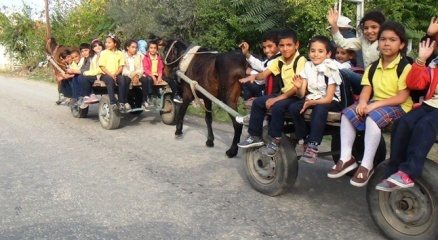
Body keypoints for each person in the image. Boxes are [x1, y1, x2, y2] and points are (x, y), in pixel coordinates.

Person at [327, 21, 413, 187]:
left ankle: (367, 165)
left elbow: (402, 96)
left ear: (401, 44)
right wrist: (364, 102)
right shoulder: (374, 67)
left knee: (372, 118)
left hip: (398, 106)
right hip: (376, 102)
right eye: (383, 39)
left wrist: (374, 105)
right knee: (348, 113)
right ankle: (346, 158)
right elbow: (367, 88)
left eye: (392, 40)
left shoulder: (405, 66)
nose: (386, 43)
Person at [376, 17, 438, 191]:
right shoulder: (434, 65)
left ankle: (408, 172)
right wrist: (421, 60)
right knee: (403, 123)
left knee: (425, 125)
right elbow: (414, 84)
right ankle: (393, 169)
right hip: (431, 104)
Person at [237, 29, 306, 157]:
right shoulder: (279, 60)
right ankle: (255, 136)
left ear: (297, 45)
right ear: (279, 47)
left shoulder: (300, 60)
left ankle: (275, 140)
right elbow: (264, 74)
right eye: (282, 45)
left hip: (296, 95)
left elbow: (297, 89)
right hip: (284, 93)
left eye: (289, 45)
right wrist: (254, 76)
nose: (285, 49)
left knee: (277, 106)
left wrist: (276, 99)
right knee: (258, 102)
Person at [288, 36, 343, 164]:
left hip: (331, 101)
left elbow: (328, 98)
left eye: (320, 51)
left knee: (320, 108)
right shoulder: (308, 66)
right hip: (313, 97)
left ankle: (313, 145)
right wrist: (298, 88)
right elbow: (302, 94)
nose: (316, 54)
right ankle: (304, 140)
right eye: (313, 51)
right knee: (294, 107)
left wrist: (311, 103)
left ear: (328, 54)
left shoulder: (331, 68)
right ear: (309, 52)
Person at [327, 8, 386, 94]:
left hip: (383, 84)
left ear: (382, 27)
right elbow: (343, 43)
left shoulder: (386, 44)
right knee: (342, 72)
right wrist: (334, 26)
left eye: (374, 27)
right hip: (367, 82)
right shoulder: (363, 40)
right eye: (366, 28)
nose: (369, 31)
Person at [239, 30, 281, 101]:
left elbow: (262, 78)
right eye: (264, 47)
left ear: (279, 45)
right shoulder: (272, 58)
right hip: (269, 93)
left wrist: (252, 72)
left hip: (274, 95)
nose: (267, 50)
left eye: (270, 46)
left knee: (247, 84)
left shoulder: (278, 59)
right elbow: (262, 66)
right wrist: (247, 54)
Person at [99, 34, 127, 111]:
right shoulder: (104, 53)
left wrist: (115, 74)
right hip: (105, 74)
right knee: (110, 80)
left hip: (116, 74)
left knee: (122, 79)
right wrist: (111, 75)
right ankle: (113, 102)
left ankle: (122, 102)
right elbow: (102, 66)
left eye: (109, 42)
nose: (106, 44)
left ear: (115, 44)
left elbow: (121, 66)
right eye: (106, 42)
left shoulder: (120, 53)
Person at [123, 39, 153, 110]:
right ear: (127, 47)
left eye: (136, 47)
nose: (135, 49)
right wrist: (132, 75)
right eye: (133, 47)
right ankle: (125, 101)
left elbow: (142, 68)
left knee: (145, 80)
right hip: (127, 75)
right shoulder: (122, 55)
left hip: (138, 74)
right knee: (126, 81)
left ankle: (144, 101)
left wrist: (137, 75)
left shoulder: (139, 55)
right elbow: (123, 69)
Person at [78, 40, 103, 108]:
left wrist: (85, 72)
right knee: (79, 77)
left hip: (100, 75)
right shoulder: (93, 57)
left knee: (81, 77)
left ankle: (86, 96)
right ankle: (86, 96)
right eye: (95, 46)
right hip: (95, 74)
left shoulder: (103, 54)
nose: (97, 47)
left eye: (99, 45)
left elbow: (99, 69)